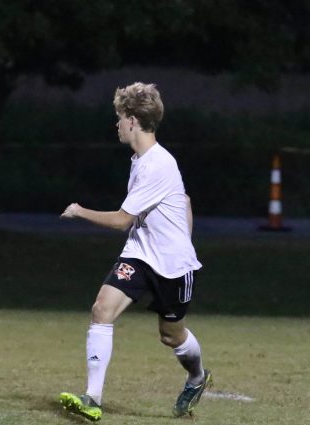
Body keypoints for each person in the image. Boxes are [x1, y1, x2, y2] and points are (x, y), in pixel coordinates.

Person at [58, 82, 209, 421]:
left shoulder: (157, 164)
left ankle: (198, 376)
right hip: (140, 255)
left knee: (171, 336)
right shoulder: (141, 160)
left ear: (132, 120)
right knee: (101, 309)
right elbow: (182, 201)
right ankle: (92, 399)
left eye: (119, 117)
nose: (116, 124)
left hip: (172, 267)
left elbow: (123, 220)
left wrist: (79, 211)